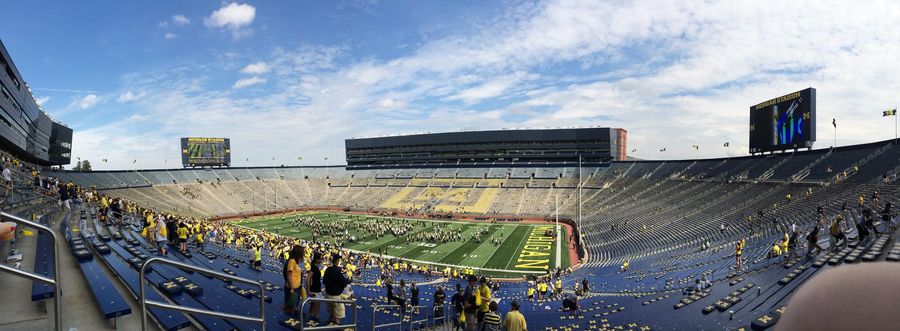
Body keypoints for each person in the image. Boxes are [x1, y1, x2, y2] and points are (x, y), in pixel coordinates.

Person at [323, 253, 351, 325]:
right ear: (337, 261)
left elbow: (324, 281)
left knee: (331, 314)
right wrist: (348, 280)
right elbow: (344, 282)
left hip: (328, 295)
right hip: (336, 297)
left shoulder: (328, 269)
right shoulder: (337, 271)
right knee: (337, 318)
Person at [283, 245, 304, 316]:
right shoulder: (292, 261)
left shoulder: (295, 261)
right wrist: (291, 287)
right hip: (293, 287)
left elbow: (294, 272)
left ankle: (292, 313)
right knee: (291, 304)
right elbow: (289, 274)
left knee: (294, 303)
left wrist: (301, 272)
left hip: (296, 286)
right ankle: (289, 317)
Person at [307, 253, 323, 324]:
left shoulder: (314, 267)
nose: (322, 260)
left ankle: (308, 322)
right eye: (320, 258)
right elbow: (307, 279)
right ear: (317, 259)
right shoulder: (314, 268)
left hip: (315, 289)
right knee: (317, 311)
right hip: (316, 290)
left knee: (312, 308)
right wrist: (309, 291)